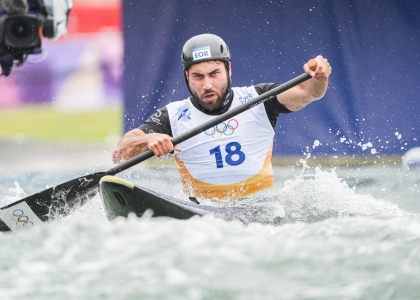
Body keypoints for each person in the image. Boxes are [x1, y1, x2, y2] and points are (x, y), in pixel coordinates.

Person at [113, 33, 332, 201]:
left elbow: (308, 92)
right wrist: (147, 140)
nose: (207, 85)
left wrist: (319, 78)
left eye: (214, 74)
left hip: (261, 208)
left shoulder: (259, 97)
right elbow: (120, 154)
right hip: (202, 213)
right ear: (186, 76)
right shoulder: (172, 115)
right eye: (197, 76)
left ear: (228, 68)